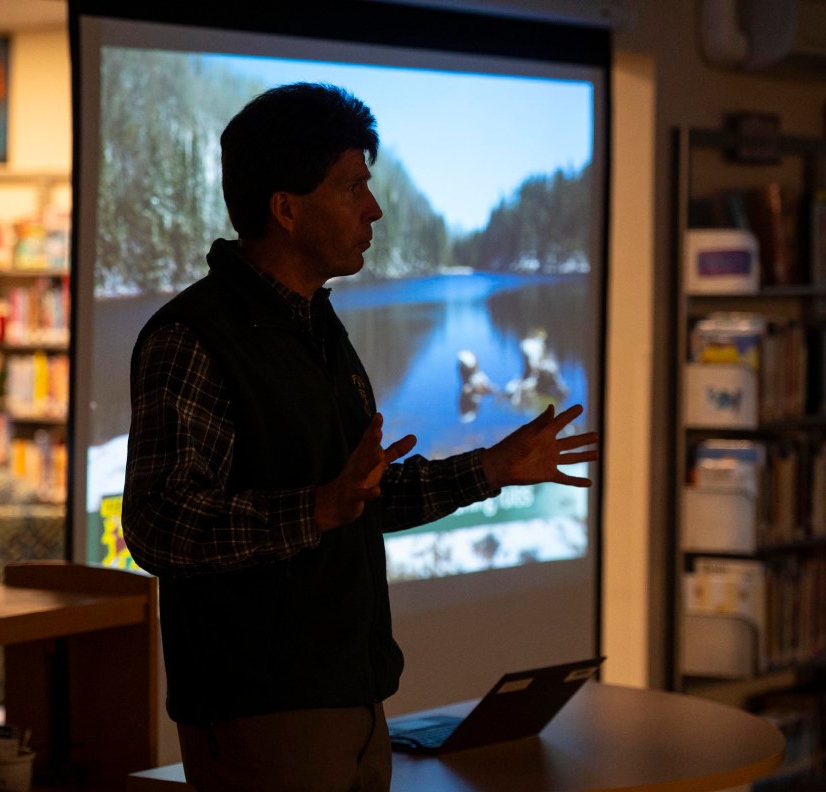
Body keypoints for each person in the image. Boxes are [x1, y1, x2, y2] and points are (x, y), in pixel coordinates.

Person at [122, 82, 599, 792]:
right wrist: (314, 509)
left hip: (355, 696)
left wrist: (491, 469)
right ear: (285, 209)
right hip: (261, 713)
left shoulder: (316, 327)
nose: (373, 208)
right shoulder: (195, 339)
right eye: (352, 187)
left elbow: (358, 498)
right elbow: (160, 526)